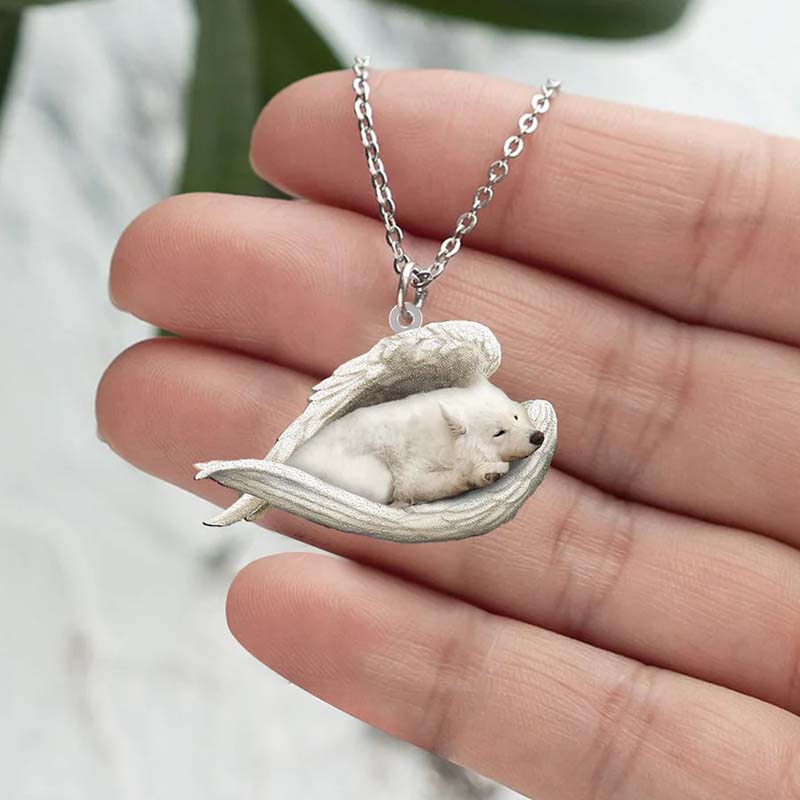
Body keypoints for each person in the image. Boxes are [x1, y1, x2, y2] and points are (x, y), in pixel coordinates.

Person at [96, 69, 800, 799]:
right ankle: (266, 478)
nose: (519, 441)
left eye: (515, 433)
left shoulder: (480, 427)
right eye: (507, 433)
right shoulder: (444, 417)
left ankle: (265, 480)